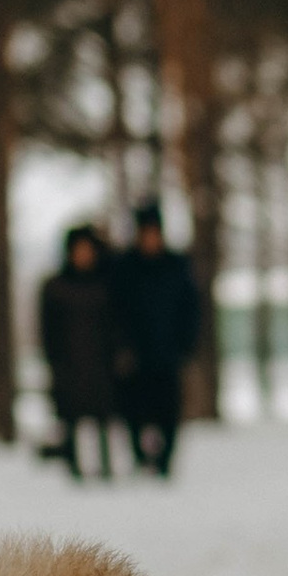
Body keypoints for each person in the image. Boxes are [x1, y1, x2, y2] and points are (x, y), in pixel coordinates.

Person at [109, 198, 203, 477]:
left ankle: (164, 462)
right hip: (135, 355)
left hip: (168, 353)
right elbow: (115, 311)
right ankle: (141, 457)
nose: (150, 238)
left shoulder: (177, 266)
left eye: (154, 232)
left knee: (168, 413)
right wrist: (121, 346)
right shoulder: (125, 268)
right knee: (134, 411)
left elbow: (191, 309)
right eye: (146, 233)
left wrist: (186, 345)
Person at [36, 225, 119, 481]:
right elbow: (47, 328)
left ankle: (106, 468)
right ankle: (74, 468)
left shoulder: (106, 284)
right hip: (68, 363)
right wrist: (53, 359)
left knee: (103, 418)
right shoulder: (56, 286)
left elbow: (117, 324)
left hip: (101, 363)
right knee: (70, 418)